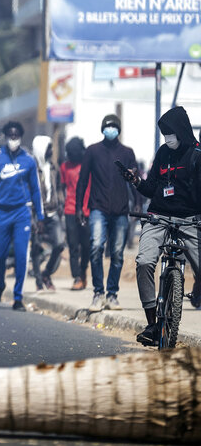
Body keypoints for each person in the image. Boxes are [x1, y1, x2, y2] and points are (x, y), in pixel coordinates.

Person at [119, 106, 201, 346]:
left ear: (182, 131)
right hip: (158, 217)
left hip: (191, 220)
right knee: (144, 261)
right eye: (164, 133)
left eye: (170, 133)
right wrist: (135, 181)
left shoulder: (197, 155)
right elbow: (152, 187)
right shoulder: (163, 153)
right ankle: (153, 324)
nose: (168, 138)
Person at [76, 114, 137, 312]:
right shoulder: (93, 151)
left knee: (117, 254)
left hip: (120, 210)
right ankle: (98, 293)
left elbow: (135, 181)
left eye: (114, 126)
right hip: (98, 208)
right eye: (107, 125)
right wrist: (79, 207)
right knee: (95, 248)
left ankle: (112, 294)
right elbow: (83, 181)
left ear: (119, 129)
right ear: (102, 128)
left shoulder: (127, 153)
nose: (110, 128)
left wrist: (138, 202)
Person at [0, 121, 44, 312]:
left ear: (21, 136)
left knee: (21, 255)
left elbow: (36, 190)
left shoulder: (28, 160)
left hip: (21, 213)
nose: (13, 138)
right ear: (5, 136)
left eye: (16, 135)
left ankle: (18, 297)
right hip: (1, 213)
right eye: (10, 135)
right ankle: (1, 284)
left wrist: (39, 216)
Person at [31, 136, 67, 292]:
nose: (51, 151)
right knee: (37, 247)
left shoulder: (54, 166)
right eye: (48, 147)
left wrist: (60, 202)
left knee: (59, 245)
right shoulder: (31, 168)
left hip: (53, 213)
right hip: (36, 214)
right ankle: (39, 280)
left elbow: (58, 187)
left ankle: (46, 273)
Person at [60, 138, 90, 291]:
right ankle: (76, 277)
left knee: (86, 246)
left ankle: (83, 271)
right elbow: (63, 187)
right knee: (73, 246)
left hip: (87, 210)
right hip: (70, 210)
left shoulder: (87, 165)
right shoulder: (65, 167)